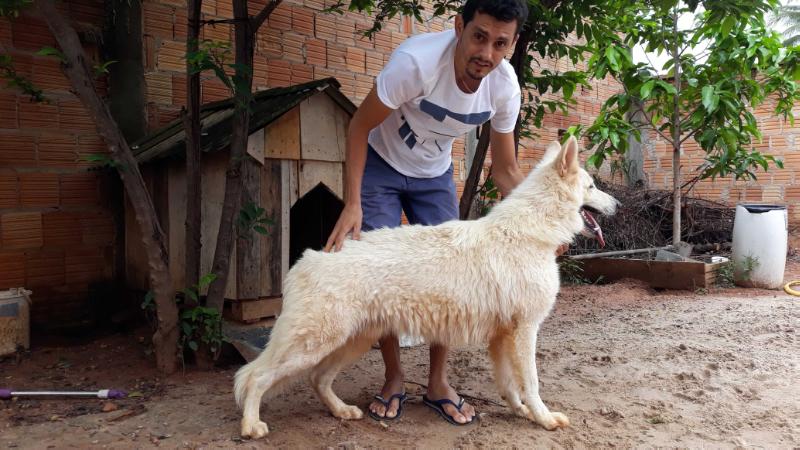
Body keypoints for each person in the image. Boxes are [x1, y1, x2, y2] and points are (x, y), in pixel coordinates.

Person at [323, 0, 529, 425]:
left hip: (434, 175)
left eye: (499, 43)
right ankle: (394, 377)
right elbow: (359, 125)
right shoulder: (415, 64)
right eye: (479, 36)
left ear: (512, 44)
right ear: (459, 27)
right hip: (381, 163)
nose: (486, 53)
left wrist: (539, 224)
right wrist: (353, 203)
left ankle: (437, 383)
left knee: (449, 276)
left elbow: (505, 170)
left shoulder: (504, 87)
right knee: (385, 274)